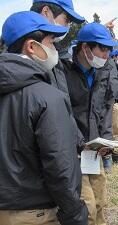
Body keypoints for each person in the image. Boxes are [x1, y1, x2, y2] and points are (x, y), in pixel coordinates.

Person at [0, 11, 88, 225]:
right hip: (34, 212)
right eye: (51, 42)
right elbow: (60, 167)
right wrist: (75, 215)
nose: (55, 49)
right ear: (32, 46)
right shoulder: (48, 97)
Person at [62, 22, 118, 225]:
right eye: (102, 49)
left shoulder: (102, 72)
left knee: (101, 201)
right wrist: (78, 142)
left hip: (94, 149)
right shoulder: (62, 72)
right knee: (86, 208)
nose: (107, 54)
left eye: (109, 49)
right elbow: (61, 115)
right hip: (73, 150)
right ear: (85, 48)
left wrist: (107, 143)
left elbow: (104, 110)